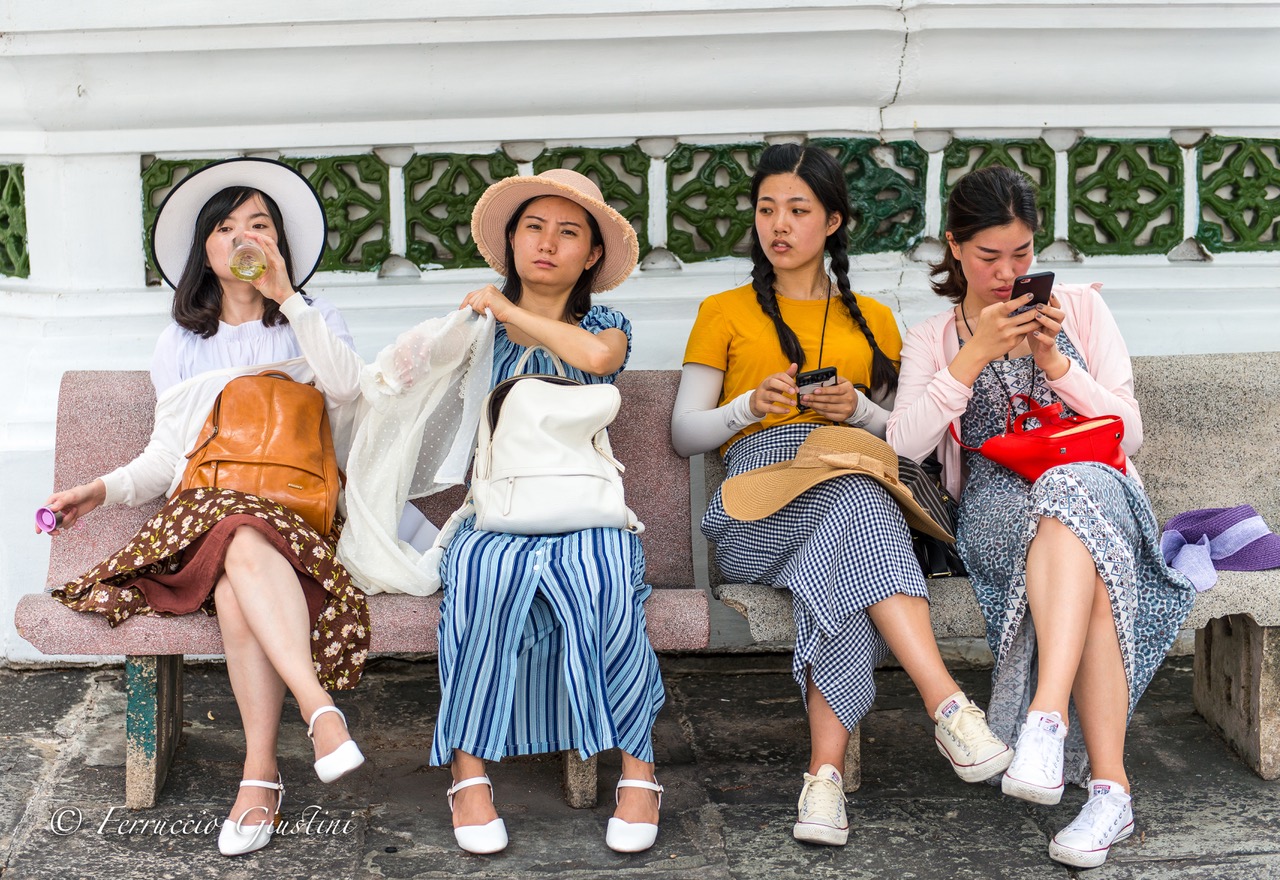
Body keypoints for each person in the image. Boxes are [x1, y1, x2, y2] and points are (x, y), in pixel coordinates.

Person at [671, 143, 1012, 848]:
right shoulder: (723, 311)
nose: (778, 225)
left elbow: (906, 440)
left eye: (797, 210)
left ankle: (822, 782)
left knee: (850, 533)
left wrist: (857, 409)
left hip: (849, 486)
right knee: (858, 509)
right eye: (767, 209)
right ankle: (946, 704)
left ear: (832, 221)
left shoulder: (874, 321)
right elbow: (684, 434)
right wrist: (748, 409)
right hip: (755, 507)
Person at [42, 158, 370, 858]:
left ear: (279, 244)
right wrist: (94, 491)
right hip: (209, 511)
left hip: (297, 515)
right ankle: (317, 715)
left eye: (260, 225)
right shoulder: (182, 343)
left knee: (235, 567)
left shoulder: (314, 321)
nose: (243, 236)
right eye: (226, 226)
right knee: (235, 537)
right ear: (206, 250)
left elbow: (347, 391)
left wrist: (292, 299)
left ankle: (261, 776)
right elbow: (166, 460)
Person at [887, 165, 1195, 869]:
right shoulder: (933, 335)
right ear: (956, 248)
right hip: (1000, 508)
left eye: (1022, 254)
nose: (1008, 273)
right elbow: (903, 446)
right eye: (990, 256)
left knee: (1072, 500)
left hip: (1100, 486)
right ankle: (1109, 792)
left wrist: (1055, 361)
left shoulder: (1082, 308)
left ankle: (1043, 719)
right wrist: (968, 360)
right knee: (1078, 562)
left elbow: (1130, 432)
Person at [432, 169, 664, 855]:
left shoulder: (604, 324)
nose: (547, 243)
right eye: (534, 227)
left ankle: (639, 770)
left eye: (569, 233)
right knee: (477, 579)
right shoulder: (475, 328)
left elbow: (596, 359)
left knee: (605, 581)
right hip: (499, 507)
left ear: (591, 255)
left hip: (586, 507)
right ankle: (468, 774)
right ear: (510, 240)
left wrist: (509, 313)